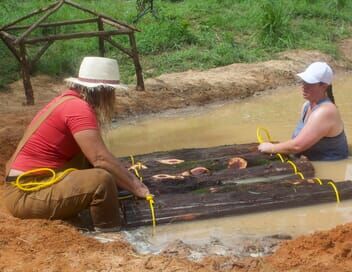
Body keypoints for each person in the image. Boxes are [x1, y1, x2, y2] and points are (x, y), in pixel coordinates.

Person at [3, 56, 150, 232]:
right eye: (112, 92)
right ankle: (110, 236)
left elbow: (95, 155)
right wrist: (137, 186)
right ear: (103, 91)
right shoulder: (78, 109)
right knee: (101, 181)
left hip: (28, 187)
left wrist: (122, 172)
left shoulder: (68, 101)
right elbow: (100, 158)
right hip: (26, 194)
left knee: (93, 163)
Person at [258, 61, 348, 161]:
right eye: (304, 81)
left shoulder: (325, 112)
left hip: (330, 164)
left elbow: (297, 146)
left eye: (310, 83)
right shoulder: (307, 106)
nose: (304, 86)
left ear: (324, 86)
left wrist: (272, 148)